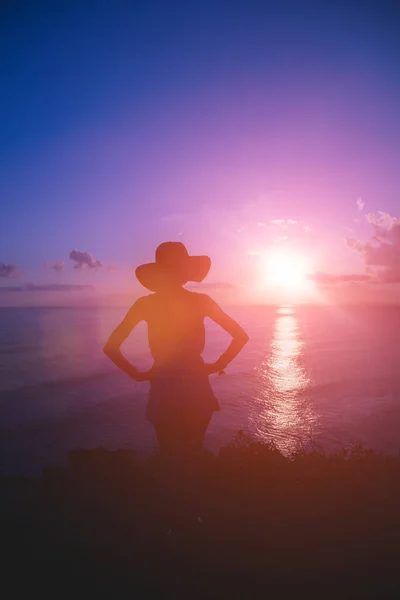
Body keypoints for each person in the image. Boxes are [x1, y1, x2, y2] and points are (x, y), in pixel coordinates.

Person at [104, 241, 249, 459]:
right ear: (185, 272)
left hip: (163, 385)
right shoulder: (201, 301)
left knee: (169, 455)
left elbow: (111, 347)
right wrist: (217, 365)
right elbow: (240, 336)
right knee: (193, 453)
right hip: (196, 384)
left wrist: (138, 374)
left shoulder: (145, 304)